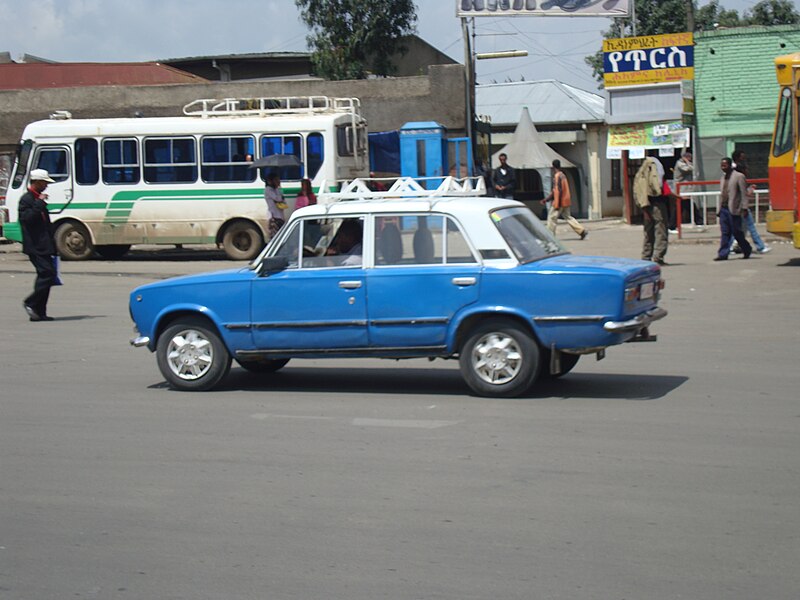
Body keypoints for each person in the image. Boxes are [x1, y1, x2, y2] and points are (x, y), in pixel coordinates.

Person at [19, 169, 58, 321]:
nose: (46, 186)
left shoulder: (37, 200)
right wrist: (40, 202)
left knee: (48, 275)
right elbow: (27, 219)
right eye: (44, 183)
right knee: (47, 273)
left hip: (45, 244)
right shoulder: (27, 199)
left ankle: (39, 312)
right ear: (36, 182)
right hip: (35, 246)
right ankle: (31, 302)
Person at [714, 157, 752, 261]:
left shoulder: (739, 176)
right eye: (722, 165)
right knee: (725, 232)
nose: (723, 167)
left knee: (736, 232)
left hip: (734, 209)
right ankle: (723, 254)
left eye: (725, 165)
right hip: (724, 209)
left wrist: (744, 208)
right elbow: (722, 194)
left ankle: (746, 248)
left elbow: (744, 194)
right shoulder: (723, 178)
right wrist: (719, 210)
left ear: (730, 165)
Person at [634, 154, 669, 265]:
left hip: (647, 204)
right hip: (656, 203)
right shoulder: (653, 168)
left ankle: (646, 256)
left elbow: (639, 191)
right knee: (660, 230)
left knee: (648, 232)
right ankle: (658, 256)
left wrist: (643, 206)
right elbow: (657, 187)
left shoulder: (641, 174)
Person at [729, 163, 771, 255]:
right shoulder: (740, 178)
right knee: (751, 228)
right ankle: (760, 246)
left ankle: (732, 246)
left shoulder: (733, 178)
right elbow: (743, 194)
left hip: (736, 207)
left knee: (738, 229)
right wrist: (750, 190)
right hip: (742, 208)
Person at [542, 159, 587, 240]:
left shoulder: (557, 176)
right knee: (568, 217)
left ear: (553, 167)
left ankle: (550, 236)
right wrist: (547, 199)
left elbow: (558, 191)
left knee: (551, 218)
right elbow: (556, 190)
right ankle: (581, 231)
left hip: (559, 202)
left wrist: (557, 204)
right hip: (566, 201)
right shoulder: (563, 175)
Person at [672, 151, 699, 227]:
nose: (690, 159)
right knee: (679, 207)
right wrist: (688, 162)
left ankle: (699, 221)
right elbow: (689, 169)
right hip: (681, 190)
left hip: (686, 190)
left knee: (689, 205)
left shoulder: (684, 163)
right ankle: (672, 225)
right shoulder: (680, 163)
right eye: (688, 158)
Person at [264, 172, 287, 238]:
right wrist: (281, 197)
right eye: (276, 180)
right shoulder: (268, 190)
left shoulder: (277, 189)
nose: (278, 181)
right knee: (275, 237)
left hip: (280, 216)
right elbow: (278, 199)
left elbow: (283, 200)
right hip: (273, 217)